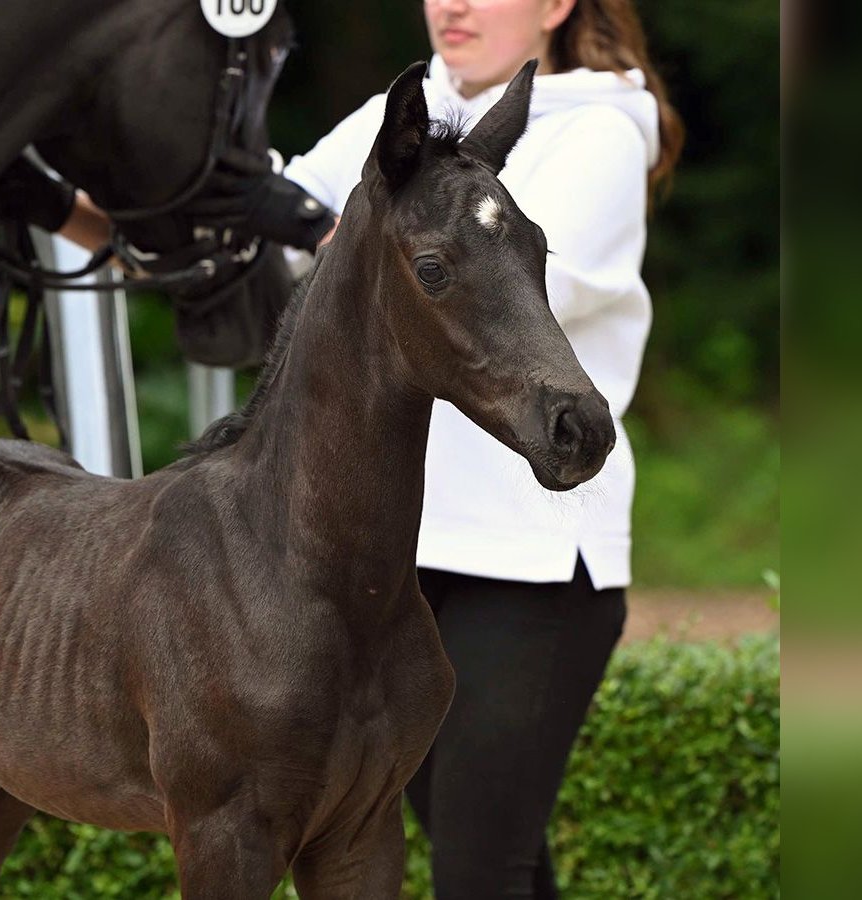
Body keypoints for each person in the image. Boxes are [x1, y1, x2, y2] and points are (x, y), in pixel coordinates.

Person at [280, 0, 682, 896]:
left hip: (529, 562)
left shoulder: (602, 130)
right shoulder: (405, 117)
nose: (451, 4)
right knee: (498, 866)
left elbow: (520, 289)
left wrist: (327, 240)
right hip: (408, 555)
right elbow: (271, 222)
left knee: (477, 869)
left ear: (554, 6)